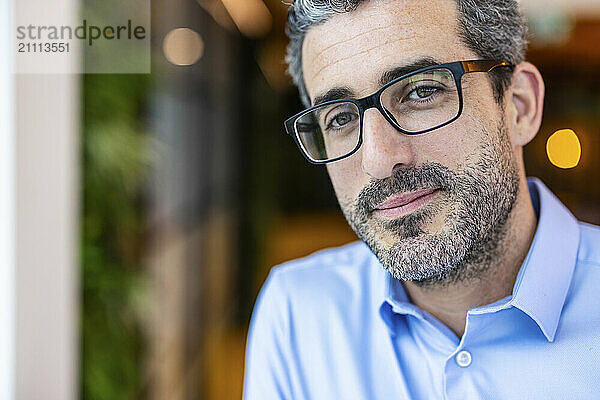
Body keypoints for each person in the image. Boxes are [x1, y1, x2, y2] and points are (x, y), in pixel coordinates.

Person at [243, 1, 600, 398]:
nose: (379, 160)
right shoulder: (297, 315)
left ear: (519, 106)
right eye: (340, 118)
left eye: (421, 91)